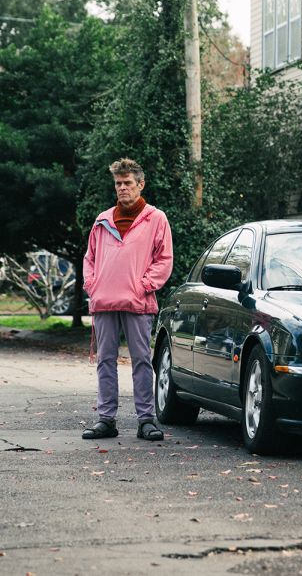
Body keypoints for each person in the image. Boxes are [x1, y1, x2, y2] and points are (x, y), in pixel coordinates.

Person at [81, 158, 173, 442]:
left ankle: (146, 420)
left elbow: (164, 260)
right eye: (118, 184)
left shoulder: (156, 218)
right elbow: (90, 259)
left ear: (140, 185)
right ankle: (106, 420)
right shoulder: (102, 220)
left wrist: (144, 286)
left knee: (142, 361)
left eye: (127, 183)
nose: (122, 188)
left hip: (138, 301)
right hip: (104, 302)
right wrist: (92, 286)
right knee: (105, 361)